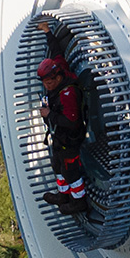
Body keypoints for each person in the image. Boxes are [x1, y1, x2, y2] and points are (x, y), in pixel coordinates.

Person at [34, 17, 87, 215]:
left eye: (49, 82)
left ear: (57, 77)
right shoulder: (59, 68)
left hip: (70, 138)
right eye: (44, 82)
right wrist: (47, 32)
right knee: (57, 164)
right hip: (59, 137)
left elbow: (72, 122)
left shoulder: (67, 94)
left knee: (70, 171)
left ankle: (78, 201)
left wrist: (50, 115)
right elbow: (57, 51)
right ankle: (63, 194)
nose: (46, 85)